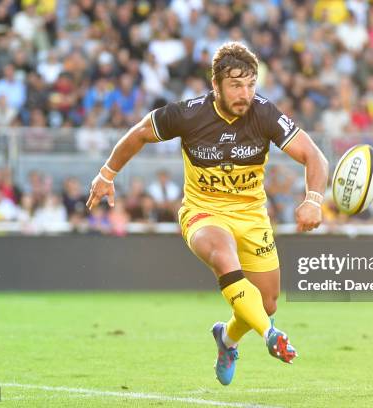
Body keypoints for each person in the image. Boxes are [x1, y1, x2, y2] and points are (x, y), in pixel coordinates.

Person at [85, 42, 329, 385]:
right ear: (215, 86)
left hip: (252, 216)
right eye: (235, 85)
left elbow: (314, 156)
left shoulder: (265, 113)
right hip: (203, 212)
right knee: (222, 254)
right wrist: (106, 174)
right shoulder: (188, 114)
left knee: (267, 302)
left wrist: (314, 199)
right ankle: (271, 336)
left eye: (250, 85)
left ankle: (227, 340)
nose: (245, 94)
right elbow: (140, 133)